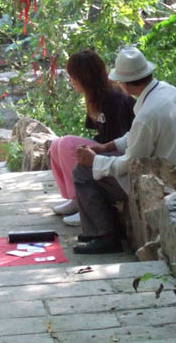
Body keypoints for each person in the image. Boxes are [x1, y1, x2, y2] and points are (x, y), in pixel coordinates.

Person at [72, 45, 176, 254]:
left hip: (159, 181)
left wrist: (94, 161)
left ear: (124, 83)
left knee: (83, 173)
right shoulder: (166, 91)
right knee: (96, 165)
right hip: (174, 168)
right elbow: (137, 136)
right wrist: (108, 146)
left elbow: (131, 164)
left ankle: (106, 235)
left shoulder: (147, 115)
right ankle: (100, 229)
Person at [49, 50, 136, 225]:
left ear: (85, 77)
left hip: (120, 152)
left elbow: (119, 139)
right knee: (56, 144)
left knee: (66, 143)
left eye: (73, 77)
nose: (71, 81)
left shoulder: (113, 98)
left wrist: (91, 150)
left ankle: (85, 203)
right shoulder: (94, 97)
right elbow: (99, 133)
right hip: (107, 147)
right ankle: (75, 199)